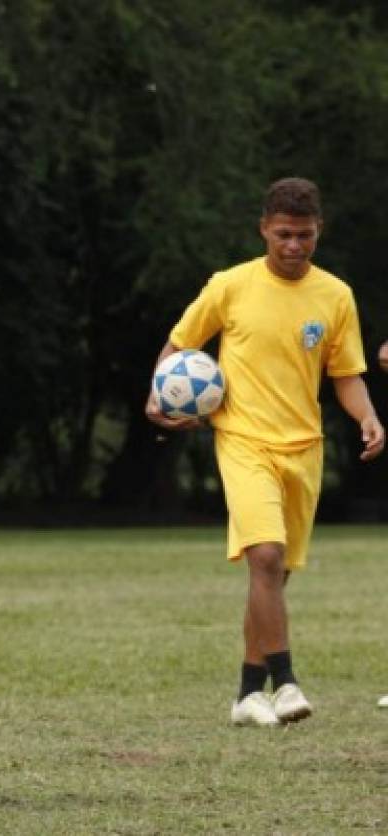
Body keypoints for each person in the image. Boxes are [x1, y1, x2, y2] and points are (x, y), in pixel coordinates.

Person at [146, 177, 384, 728]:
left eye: (304, 236)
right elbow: (181, 345)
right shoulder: (230, 287)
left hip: (304, 447)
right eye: (284, 235)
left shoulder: (335, 296)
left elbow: (346, 375)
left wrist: (367, 416)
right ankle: (286, 682)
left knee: (273, 580)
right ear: (264, 230)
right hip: (243, 440)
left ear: (318, 231)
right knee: (266, 559)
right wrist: (157, 391)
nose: (294, 246)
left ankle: (247, 693)